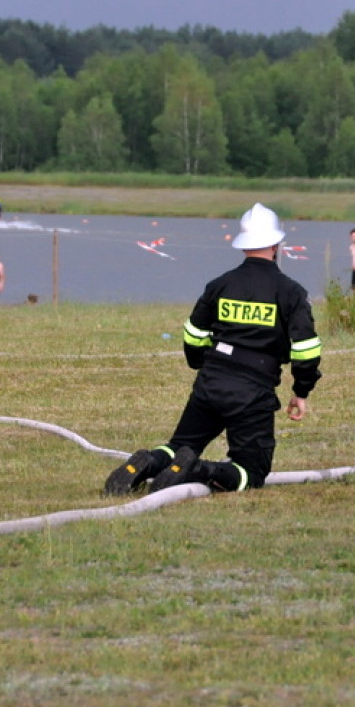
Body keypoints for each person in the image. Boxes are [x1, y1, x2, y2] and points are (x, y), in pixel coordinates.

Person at [104, 202, 322, 496]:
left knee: (179, 446)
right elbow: (306, 350)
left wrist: (202, 364)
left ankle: (150, 461)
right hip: (253, 390)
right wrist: (301, 391)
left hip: (211, 380)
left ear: (243, 245)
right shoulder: (290, 292)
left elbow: (194, 334)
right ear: (276, 243)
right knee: (252, 472)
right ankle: (197, 470)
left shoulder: (220, 285)